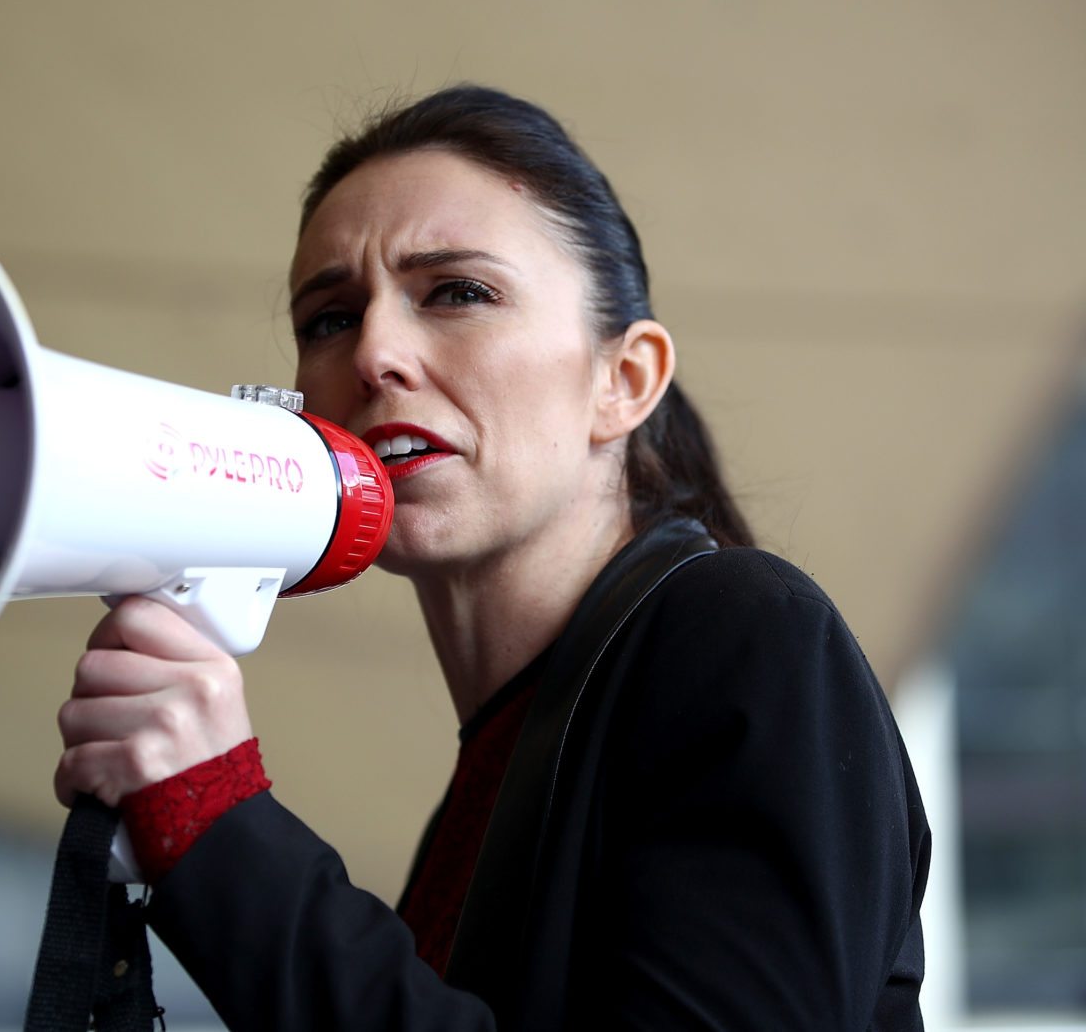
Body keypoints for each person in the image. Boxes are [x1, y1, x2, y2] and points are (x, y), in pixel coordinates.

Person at [52, 85, 931, 1030]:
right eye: (329, 318)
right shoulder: (501, 769)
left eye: (459, 292)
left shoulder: (747, 631)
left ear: (622, 381)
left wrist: (220, 827)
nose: (376, 353)